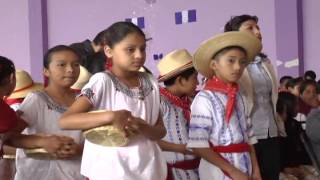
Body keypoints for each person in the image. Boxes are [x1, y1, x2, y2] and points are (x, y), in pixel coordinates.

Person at [58, 21, 167, 180]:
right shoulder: (102, 81)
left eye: (142, 49)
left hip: (148, 169)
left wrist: (141, 125)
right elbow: (66, 121)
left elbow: (160, 131)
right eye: (130, 50)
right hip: (109, 171)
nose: (139, 55)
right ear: (108, 51)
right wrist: (111, 116)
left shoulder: (151, 82)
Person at [187, 31, 262, 180]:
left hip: (244, 167)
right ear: (214, 65)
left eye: (242, 62)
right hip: (218, 171)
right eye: (231, 61)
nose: (237, 67)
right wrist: (233, 172)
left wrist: (256, 170)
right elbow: (198, 145)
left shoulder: (239, 96)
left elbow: (248, 138)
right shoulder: (204, 99)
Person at [13, 45, 84, 180]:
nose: (70, 70)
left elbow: (93, 139)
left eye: (76, 65)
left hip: (73, 174)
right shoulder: (36, 100)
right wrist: (42, 142)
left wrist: (79, 149)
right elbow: (11, 137)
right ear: (46, 71)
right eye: (62, 65)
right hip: (37, 174)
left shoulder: (83, 100)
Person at [224, 14, 281, 180]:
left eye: (258, 28)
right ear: (235, 35)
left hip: (270, 132)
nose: (258, 32)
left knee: (271, 175)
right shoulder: (230, 66)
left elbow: (272, 99)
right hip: (247, 135)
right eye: (250, 28)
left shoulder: (265, 63)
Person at [157, 49, 200, 180]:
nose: (198, 83)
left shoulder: (193, 99)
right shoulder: (158, 102)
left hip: (199, 169)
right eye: (194, 78)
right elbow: (148, 139)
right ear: (181, 80)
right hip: (174, 172)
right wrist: (181, 148)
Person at [277, 92, 318, 180]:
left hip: (300, 164)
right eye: (296, 105)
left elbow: (302, 149)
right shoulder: (278, 128)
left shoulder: (295, 124)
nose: (298, 108)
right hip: (284, 167)